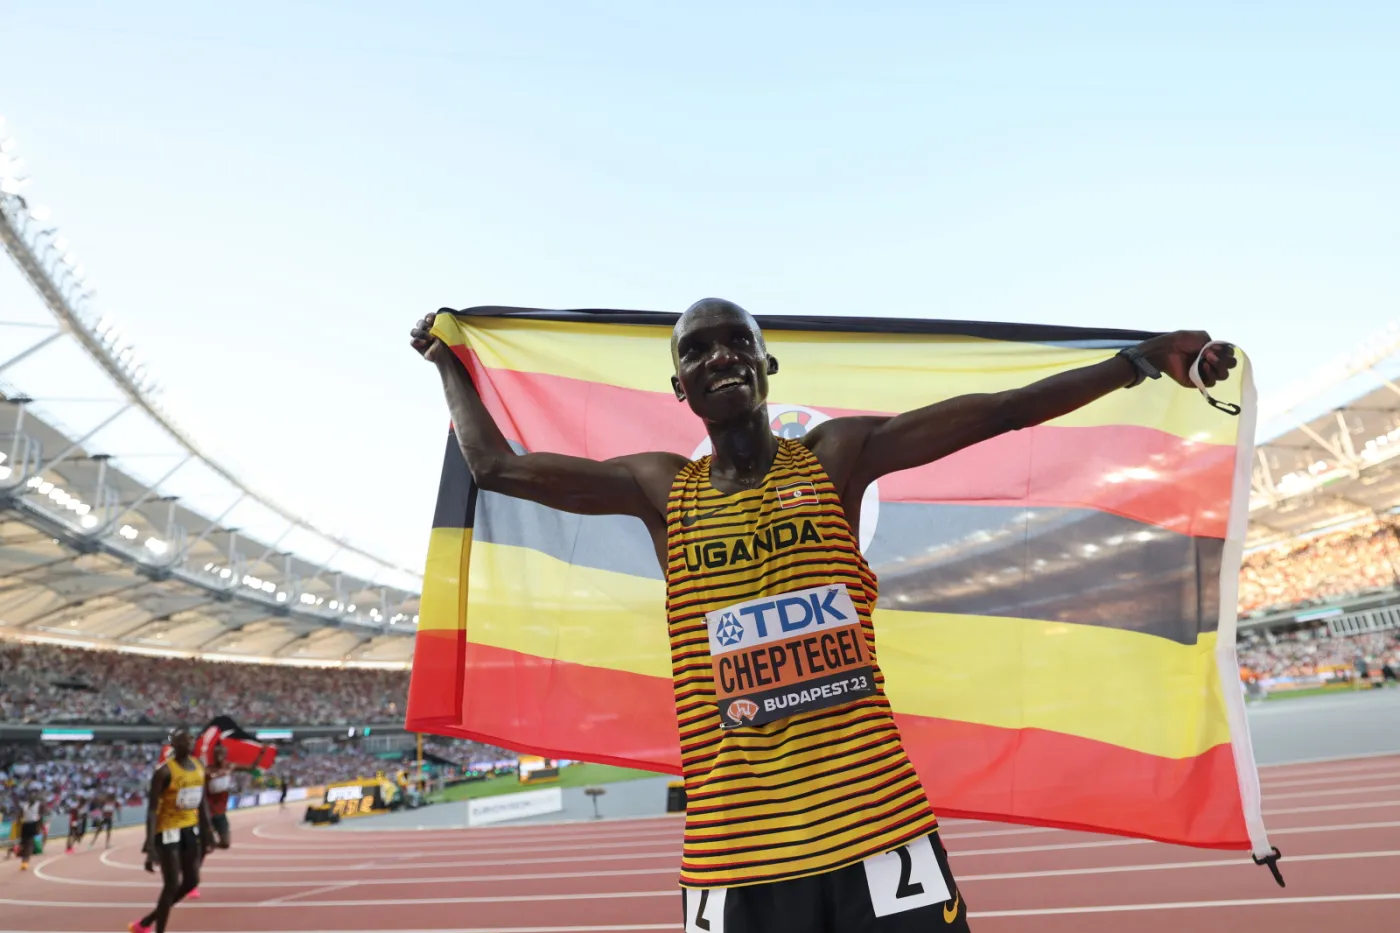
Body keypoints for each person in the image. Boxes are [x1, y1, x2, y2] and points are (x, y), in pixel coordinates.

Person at [412, 300, 1236, 932]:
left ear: (766, 365)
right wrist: (452, 365)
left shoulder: (836, 458)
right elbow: (495, 467)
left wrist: (1136, 363)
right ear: (680, 389)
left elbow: (1002, 410)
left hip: (878, 826)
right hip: (737, 853)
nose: (719, 354)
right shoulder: (660, 488)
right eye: (695, 349)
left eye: (735, 339)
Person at [129, 728, 214, 933]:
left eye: (190, 738)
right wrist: (150, 845)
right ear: (174, 744)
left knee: (192, 880)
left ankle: (147, 922)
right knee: (172, 884)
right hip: (167, 831)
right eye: (182, 739)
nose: (188, 742)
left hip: (189, 829)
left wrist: (208, 830)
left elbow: (201, 802)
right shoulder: (164, 772)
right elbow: (151, 811)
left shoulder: (198, 766)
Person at [205, 744, 234, 850]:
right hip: (208, 813)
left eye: (222, 753)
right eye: (217, 753)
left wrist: (262, 752)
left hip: (221, 813)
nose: (219, 755)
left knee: (225, 843)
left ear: (226, 754)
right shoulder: (208, 770)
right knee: (205, 844)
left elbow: (252, 766)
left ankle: (210, 844)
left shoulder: (230, 767)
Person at [16, 787, 44, 871]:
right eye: (30, 796)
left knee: (29, 843)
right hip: (26, 825)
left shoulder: (38, 805)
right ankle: (24, 859)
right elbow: (20, 815)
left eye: (34, 796)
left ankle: (25, 861)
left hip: (32, 824)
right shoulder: (25, 805)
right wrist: (18, 824)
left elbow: (40, 816)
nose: (32, 797)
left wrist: (39, 826)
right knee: (24, 844)